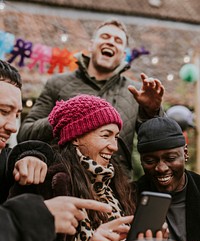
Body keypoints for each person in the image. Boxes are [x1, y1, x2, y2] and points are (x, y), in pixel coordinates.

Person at [6, 94, 135, 241]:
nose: (114, 146)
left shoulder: (115, 183)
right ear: (76, 135)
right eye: (105, 135)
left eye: (116, 136)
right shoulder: (45, 181)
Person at [0, 60, 113, 241]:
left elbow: (13, 155)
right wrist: (36, 219)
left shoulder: (114, 185)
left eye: (17, 115)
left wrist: (31, 153)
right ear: (77, 136)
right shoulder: (55, 181)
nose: (13, 126)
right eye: (3, 111)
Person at [17, 18, 164, 178]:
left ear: (123, 54)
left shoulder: (135, 92)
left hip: (116, 188)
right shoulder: (58, 83)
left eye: (118, 40)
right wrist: (64, 116)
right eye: (105, 36)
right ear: (91, 45)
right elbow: (25, 134)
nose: (111, 42)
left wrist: (152, 111)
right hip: (65, 180)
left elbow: (159, 145)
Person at [136, 116, 200, 241]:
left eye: (170, 158)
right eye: (150, 161)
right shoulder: (130, 196)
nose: (161, 168)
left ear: (185, 153)